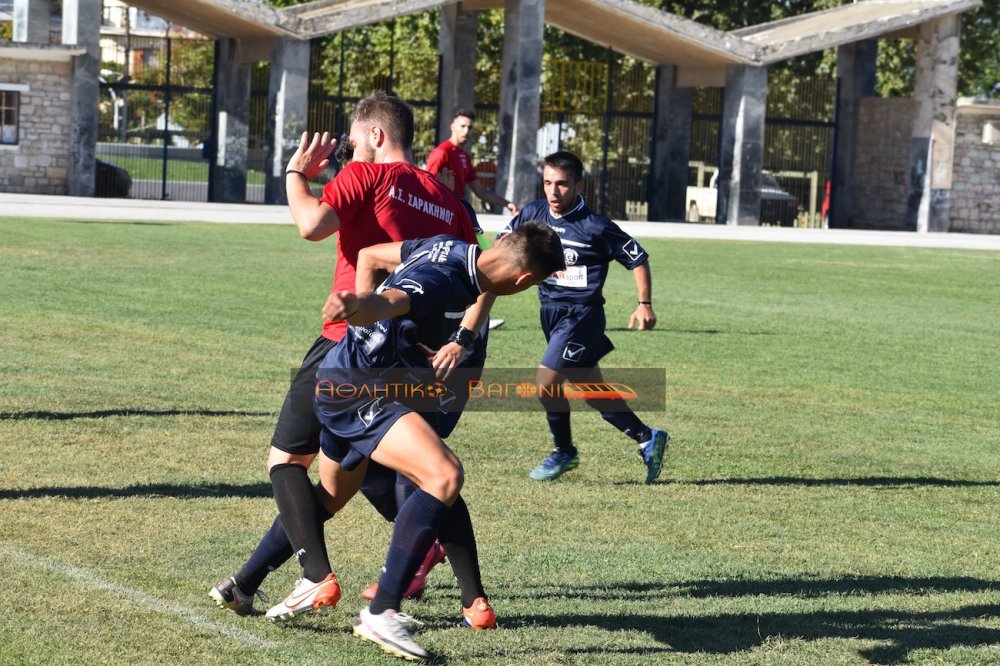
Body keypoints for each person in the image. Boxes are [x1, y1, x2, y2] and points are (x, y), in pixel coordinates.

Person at [209, 92, 492, 621]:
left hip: (348, 342)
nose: (351, 148)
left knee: (286, 461)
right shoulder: (451, 201)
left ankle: (317, 576)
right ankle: (246, 582)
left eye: (355, 138)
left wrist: (296, 173)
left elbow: (311, 224)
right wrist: (466, 340)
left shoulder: (368, 175)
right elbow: (485, 273)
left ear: (377, 136)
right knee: (369, 483)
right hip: (409, 356)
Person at [314, 222, 565, 661]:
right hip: (358, 389)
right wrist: (358, 309)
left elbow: (370, 256)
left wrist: (452, 339)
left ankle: (245, 584)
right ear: (526, 283)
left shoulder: (453, 252)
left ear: (503, 243)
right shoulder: (441, 282)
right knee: (440, 475)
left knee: (364, 488)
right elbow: (395, 300)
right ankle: (382, 609)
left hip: (373, 383)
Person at [498, 150, 670, 483]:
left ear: (578, 185)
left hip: (582, 316)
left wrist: (644, 304)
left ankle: (564, 451)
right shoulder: (533, 212)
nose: (553, 192)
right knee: (591, 389)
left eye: (562, 184)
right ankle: (647, 437)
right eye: (548, 183)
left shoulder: (596, 226)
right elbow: (503, 243)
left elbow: (636, 257)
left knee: (545, 383)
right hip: (550, 312)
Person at [426, 108, 517, 332]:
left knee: (484, 263)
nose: (466, 131)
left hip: (465, 219)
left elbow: (478, 191)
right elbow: (429, 187)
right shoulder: (441, 153)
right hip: (447, 221)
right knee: (474, 266)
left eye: (470, 127)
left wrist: (506, 203)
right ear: (452, 126)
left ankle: (478, 316)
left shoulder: (464, 157)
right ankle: (465, 318)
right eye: (462, 126)